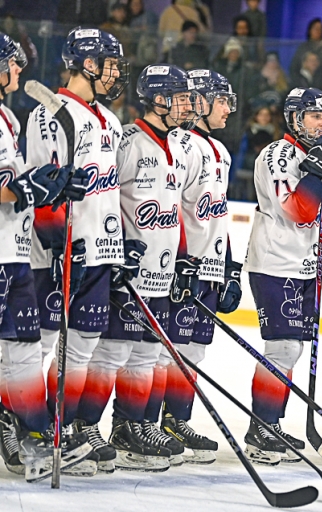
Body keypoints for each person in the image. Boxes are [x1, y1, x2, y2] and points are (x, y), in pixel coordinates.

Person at [72, 64, 202, 472]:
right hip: (130, 270)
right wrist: (116, 253)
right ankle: (85, 425)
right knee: (112, 352)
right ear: (158, 100)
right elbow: (108, 197)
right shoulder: (128, 141)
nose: (188, 104)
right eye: (179, 97)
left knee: (146, 354)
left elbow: (176, 210)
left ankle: (133, 426)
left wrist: (183, 258)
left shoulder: (181, 145)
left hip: (162, 271)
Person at [26, 27, 129, 477]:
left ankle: (62, 427)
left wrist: (121, 247)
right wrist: (57, 245)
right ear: (87, 63)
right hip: (60, 252)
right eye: (109, 63)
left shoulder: (110, 119)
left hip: (102, 251)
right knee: (41, 344)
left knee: (82, 347)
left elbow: (113, 194)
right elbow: (44, 186)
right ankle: (23, 426)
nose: (115, 72)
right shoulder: (51, 113)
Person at [0, 32, 93, 482]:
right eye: (12, 63)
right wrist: (20, 187)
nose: (19, 70)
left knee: (22, 351)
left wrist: (50, 183)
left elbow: (14, 185)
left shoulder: (7, 119)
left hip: (14, 253)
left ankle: (35, 439)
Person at [242, 87, 322, 464]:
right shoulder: (278, 155)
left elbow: (310, 210)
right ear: (295, 118)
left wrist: (321, 222)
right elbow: (297, 209)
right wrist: (312, 203)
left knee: (292, 348)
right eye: (315, 115)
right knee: (282, 347)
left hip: (300, 264)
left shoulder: (315, 155)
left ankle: (271, 424)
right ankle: (261, 429)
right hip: (274, 263)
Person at [152, 69, 239, 464]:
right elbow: (173, 209)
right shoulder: (182, 144)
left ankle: (176, 418)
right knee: (164, 351)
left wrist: (229, 265)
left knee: (192, 351)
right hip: (183, 265)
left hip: (209, 267)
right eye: (222, 100)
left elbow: (217, 214)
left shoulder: (220, 150)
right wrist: (183, 261)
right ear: (201, 102)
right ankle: (148, 422)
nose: (228, 109)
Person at [289, 19, 322, 87]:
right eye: (316, 28)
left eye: (320, 28)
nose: (318, 31)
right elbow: (294, 68)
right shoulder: (303, 48)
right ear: (310, 30)